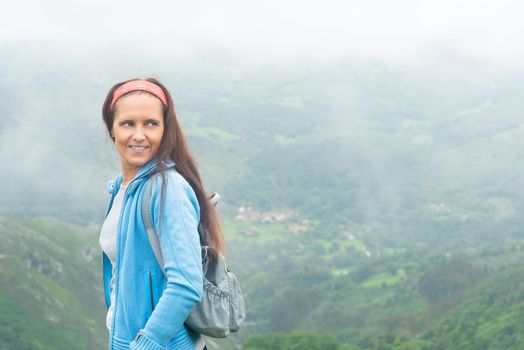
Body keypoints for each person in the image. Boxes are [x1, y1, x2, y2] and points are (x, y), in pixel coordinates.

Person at [99, 78, 224, 350]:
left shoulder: (168, 190)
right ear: (112, 129)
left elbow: (186, 284)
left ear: (165, 130)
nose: (139, 135)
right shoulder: (120, 189)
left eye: (151, 124)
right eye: (128, 123)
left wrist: (145, 345)